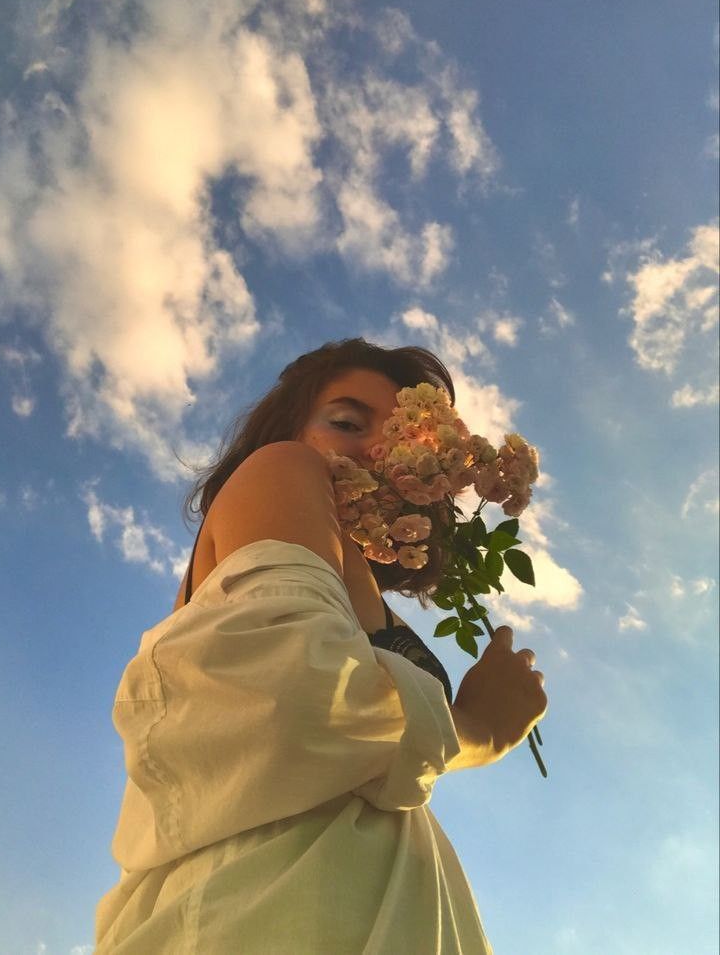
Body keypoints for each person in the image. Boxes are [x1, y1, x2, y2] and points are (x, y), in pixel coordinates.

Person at [94, 338, 547, 954]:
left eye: (406, 442)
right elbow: (297, 698)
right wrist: (482, 730)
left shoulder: (349, 580)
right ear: (288, 430)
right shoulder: (284, 466)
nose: (377, 452)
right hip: (271, 906)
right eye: (346, 422)